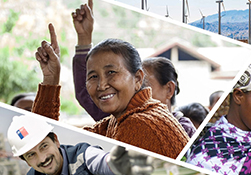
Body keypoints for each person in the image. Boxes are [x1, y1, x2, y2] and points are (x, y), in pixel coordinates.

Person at [34, 23, 188, 159]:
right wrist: (51, 78)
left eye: (111, 73)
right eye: (93, 76)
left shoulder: (138, 125)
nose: (101, 85)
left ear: (138, 79)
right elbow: (48, 144)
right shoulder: (119, 120)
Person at [71, 0, 196, 137]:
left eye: (144, 84)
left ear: (169, 89)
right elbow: (85, 93)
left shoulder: (182, 129)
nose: (137, 91)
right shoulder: (120, 118)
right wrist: (84, 38)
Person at [7, 115, 153, 175]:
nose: (42, 158)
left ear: (56, 141)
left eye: (44, 146)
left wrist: (115, 165)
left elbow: (101, 162)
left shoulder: (83, 155)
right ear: (26, 161)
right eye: (31, 155)